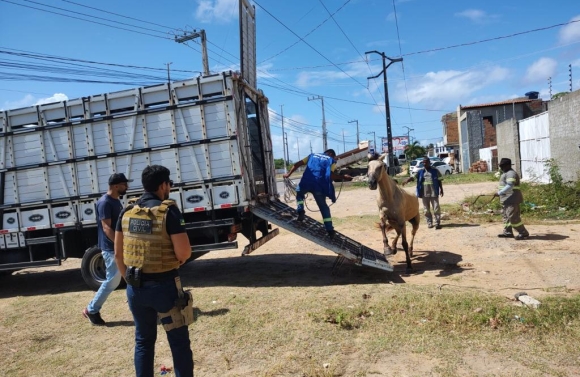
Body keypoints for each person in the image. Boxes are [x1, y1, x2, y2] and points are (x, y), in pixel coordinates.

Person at [114, 165, 194, 377]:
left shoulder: (127, 211)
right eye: (169, 184)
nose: (169, 188)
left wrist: (130, 282)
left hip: (135, 288)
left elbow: (118, 255)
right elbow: (184, 252)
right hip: (165, 286)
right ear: (162, 185)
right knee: (178, 343)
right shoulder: (169, 211)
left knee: (143, 341)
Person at [83, 173, 131, 325]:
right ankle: (91, 310)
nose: (127, 187)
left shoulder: (115, 201)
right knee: (112, 281)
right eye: (124, 184)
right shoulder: (105, 202)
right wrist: (120, 244)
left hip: (118, 247)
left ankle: (141, 308)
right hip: (111, 249)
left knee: (132, 278)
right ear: (116, 186)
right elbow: (106, 228)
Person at [283, 149, 352, 237]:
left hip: (306, 182)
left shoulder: (311, 155)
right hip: (319, 186)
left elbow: (297, 164)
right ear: (331, 154)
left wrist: (288, 174)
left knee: (299, 194)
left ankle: (300, 210)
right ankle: (330, 230)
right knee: (323, 207)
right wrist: (343, 177)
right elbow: (330, 175)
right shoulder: (331, 161)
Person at [402, 157, 444, 229]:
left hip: (434, 192)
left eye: (426, 162)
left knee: (436, 208)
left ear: (429, 163)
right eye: (423, 162)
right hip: (424, 193)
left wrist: (441, 189)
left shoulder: (435, 171)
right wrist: (407, 180)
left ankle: (437, 223)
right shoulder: (420, 172)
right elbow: (413, 178)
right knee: (426, 209)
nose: (424, 164)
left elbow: (439, 180)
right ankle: (429, 223)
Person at [497, 158, 530, 240]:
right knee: (506, 217)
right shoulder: (505, 173)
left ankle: (523, 232)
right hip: (506, 199)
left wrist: (499, 193)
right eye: (500, 166)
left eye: (502, 166)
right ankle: (508, 232)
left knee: (513, 217)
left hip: (512, 199)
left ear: (508, 165)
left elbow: (510, 185)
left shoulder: (511, 173)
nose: (501, 168)